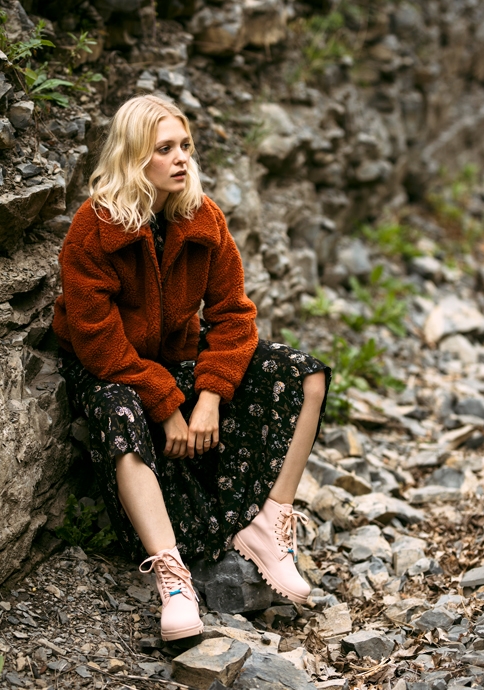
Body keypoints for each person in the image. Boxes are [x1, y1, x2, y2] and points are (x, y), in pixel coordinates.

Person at [53, 94, 331, 641]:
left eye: (186, 146)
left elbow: (233, 315)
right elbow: (97, 341)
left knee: (307, 373)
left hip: (178, 360)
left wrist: (208, 397)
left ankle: (269, 521)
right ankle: (172, 576)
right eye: (165, 149)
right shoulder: (94, 229)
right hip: (110, 370)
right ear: (135, 159)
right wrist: (166, 404)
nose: (182, 158)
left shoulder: (203, 219)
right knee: (118, 408)